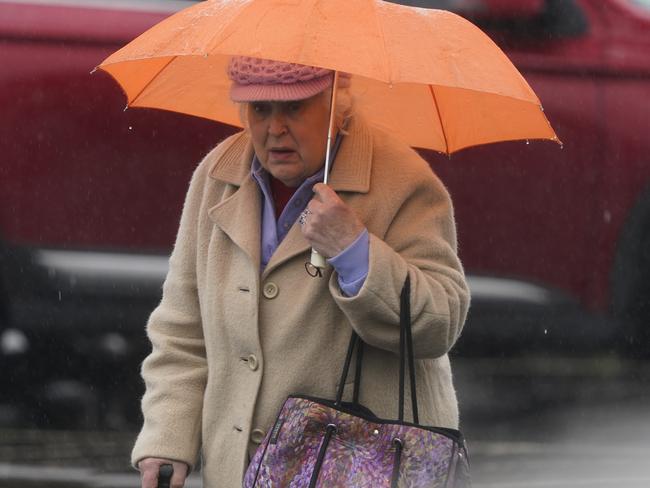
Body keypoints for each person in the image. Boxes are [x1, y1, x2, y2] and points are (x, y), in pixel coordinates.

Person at [133, 56, 470, 488]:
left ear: (337, 103)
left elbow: (438, 323)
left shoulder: (403, 181)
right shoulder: (216, 175)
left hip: (362, 469)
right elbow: (183, 330)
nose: (274, 129)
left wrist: (354, 248)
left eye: (294, 108)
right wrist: (168, 437)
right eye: (259, 109)